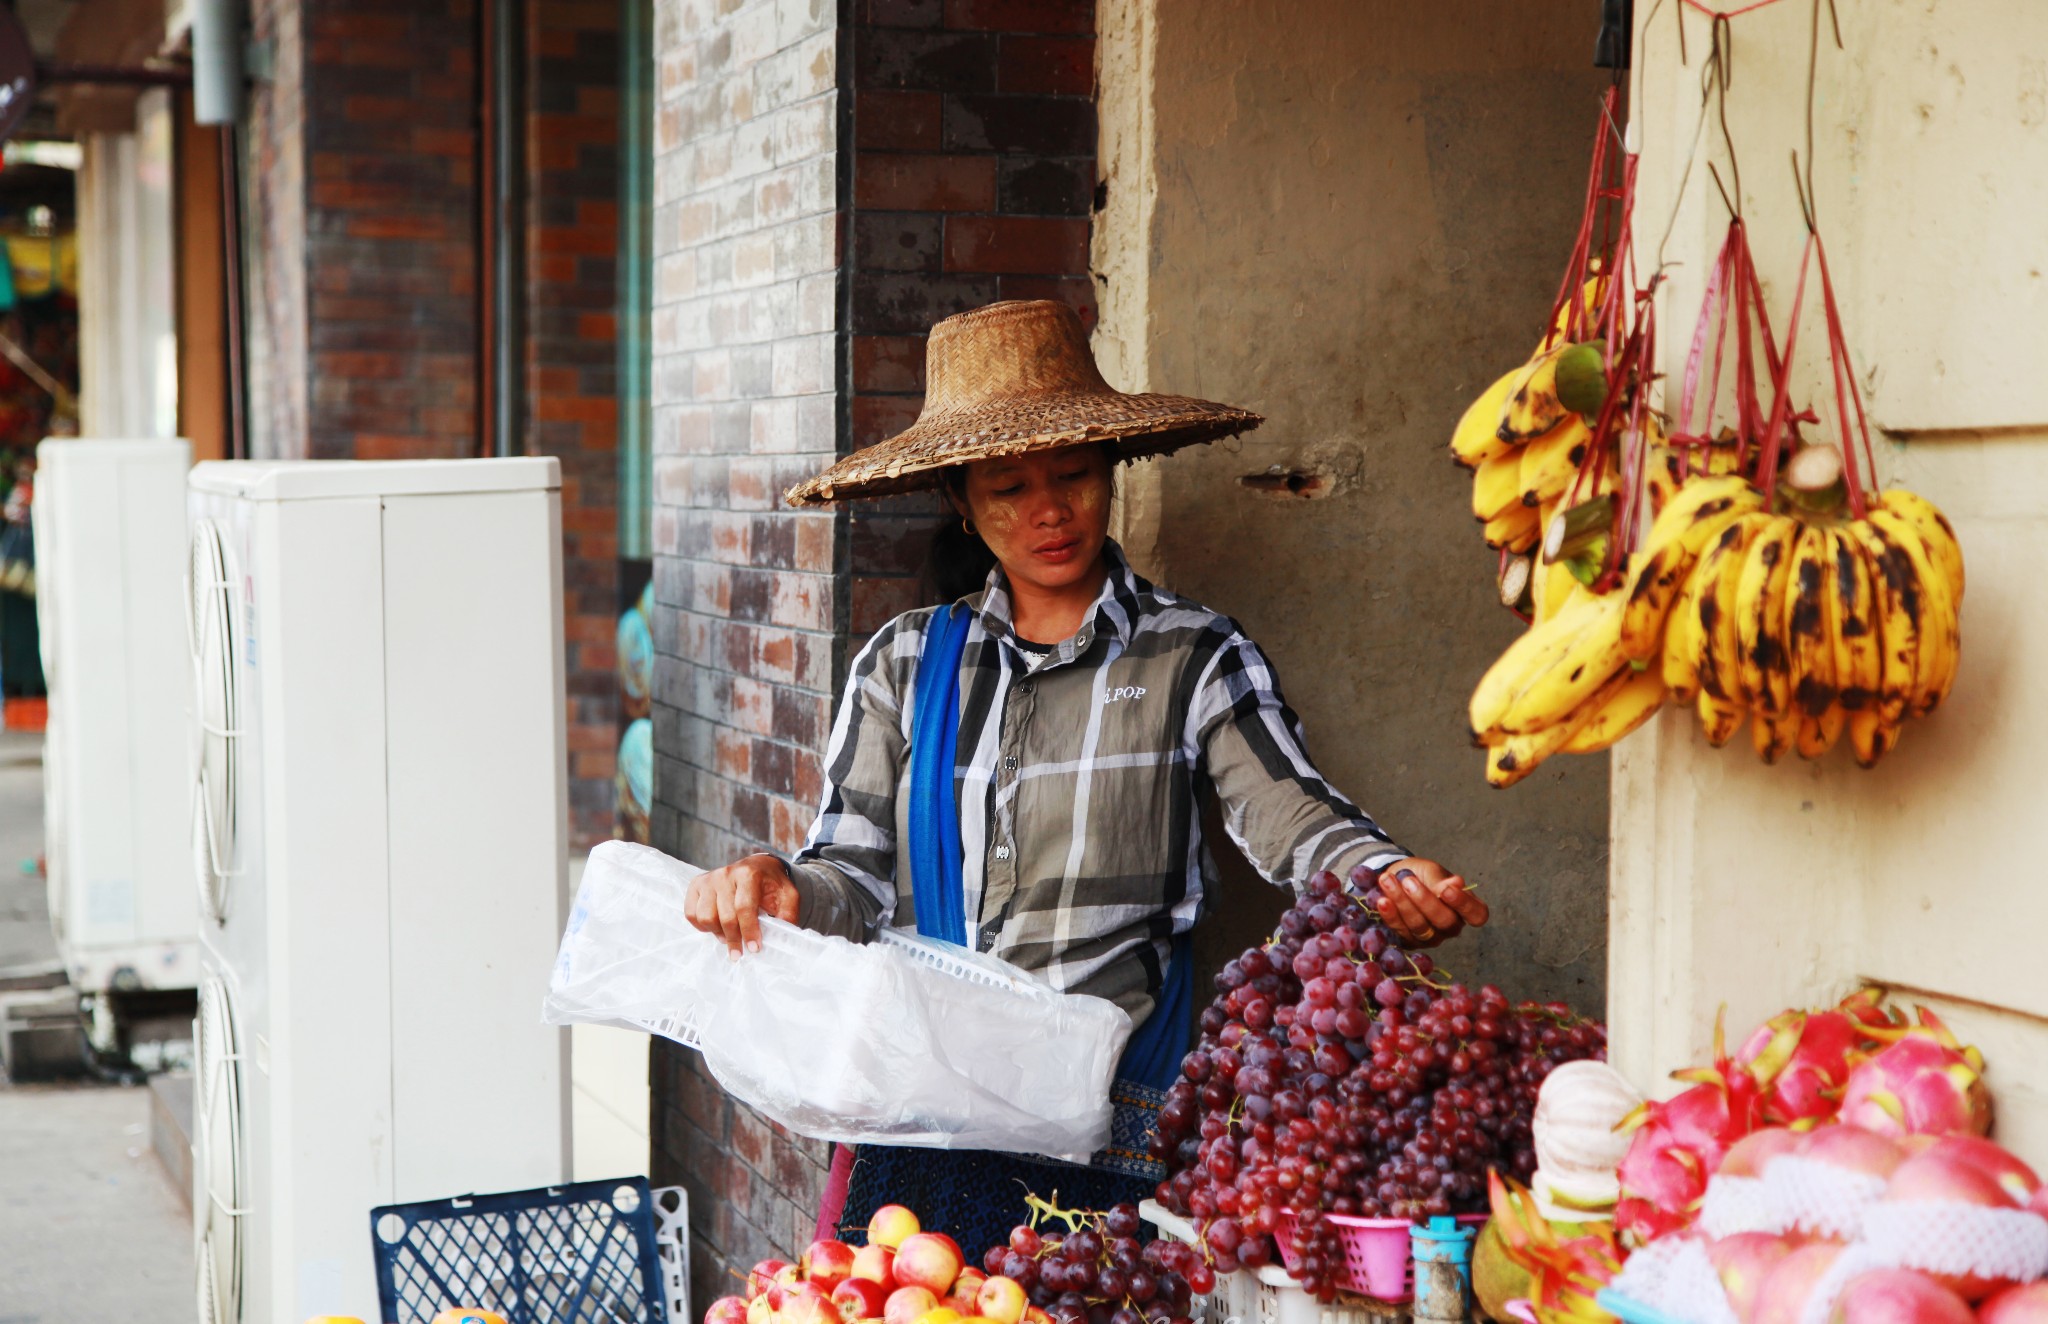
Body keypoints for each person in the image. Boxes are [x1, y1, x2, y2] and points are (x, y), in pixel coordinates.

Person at [682, 300, 1487, 1248]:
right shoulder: (905, 665)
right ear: (960, 499)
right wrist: (781, 886)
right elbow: (850, 878)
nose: (1048, 510)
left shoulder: (1192, 655)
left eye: (1072, 474)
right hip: (926, 1120)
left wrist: (1382, 878)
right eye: (1007, 487)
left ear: (1111, 470)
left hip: (1108, 1128)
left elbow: (1291, 814)